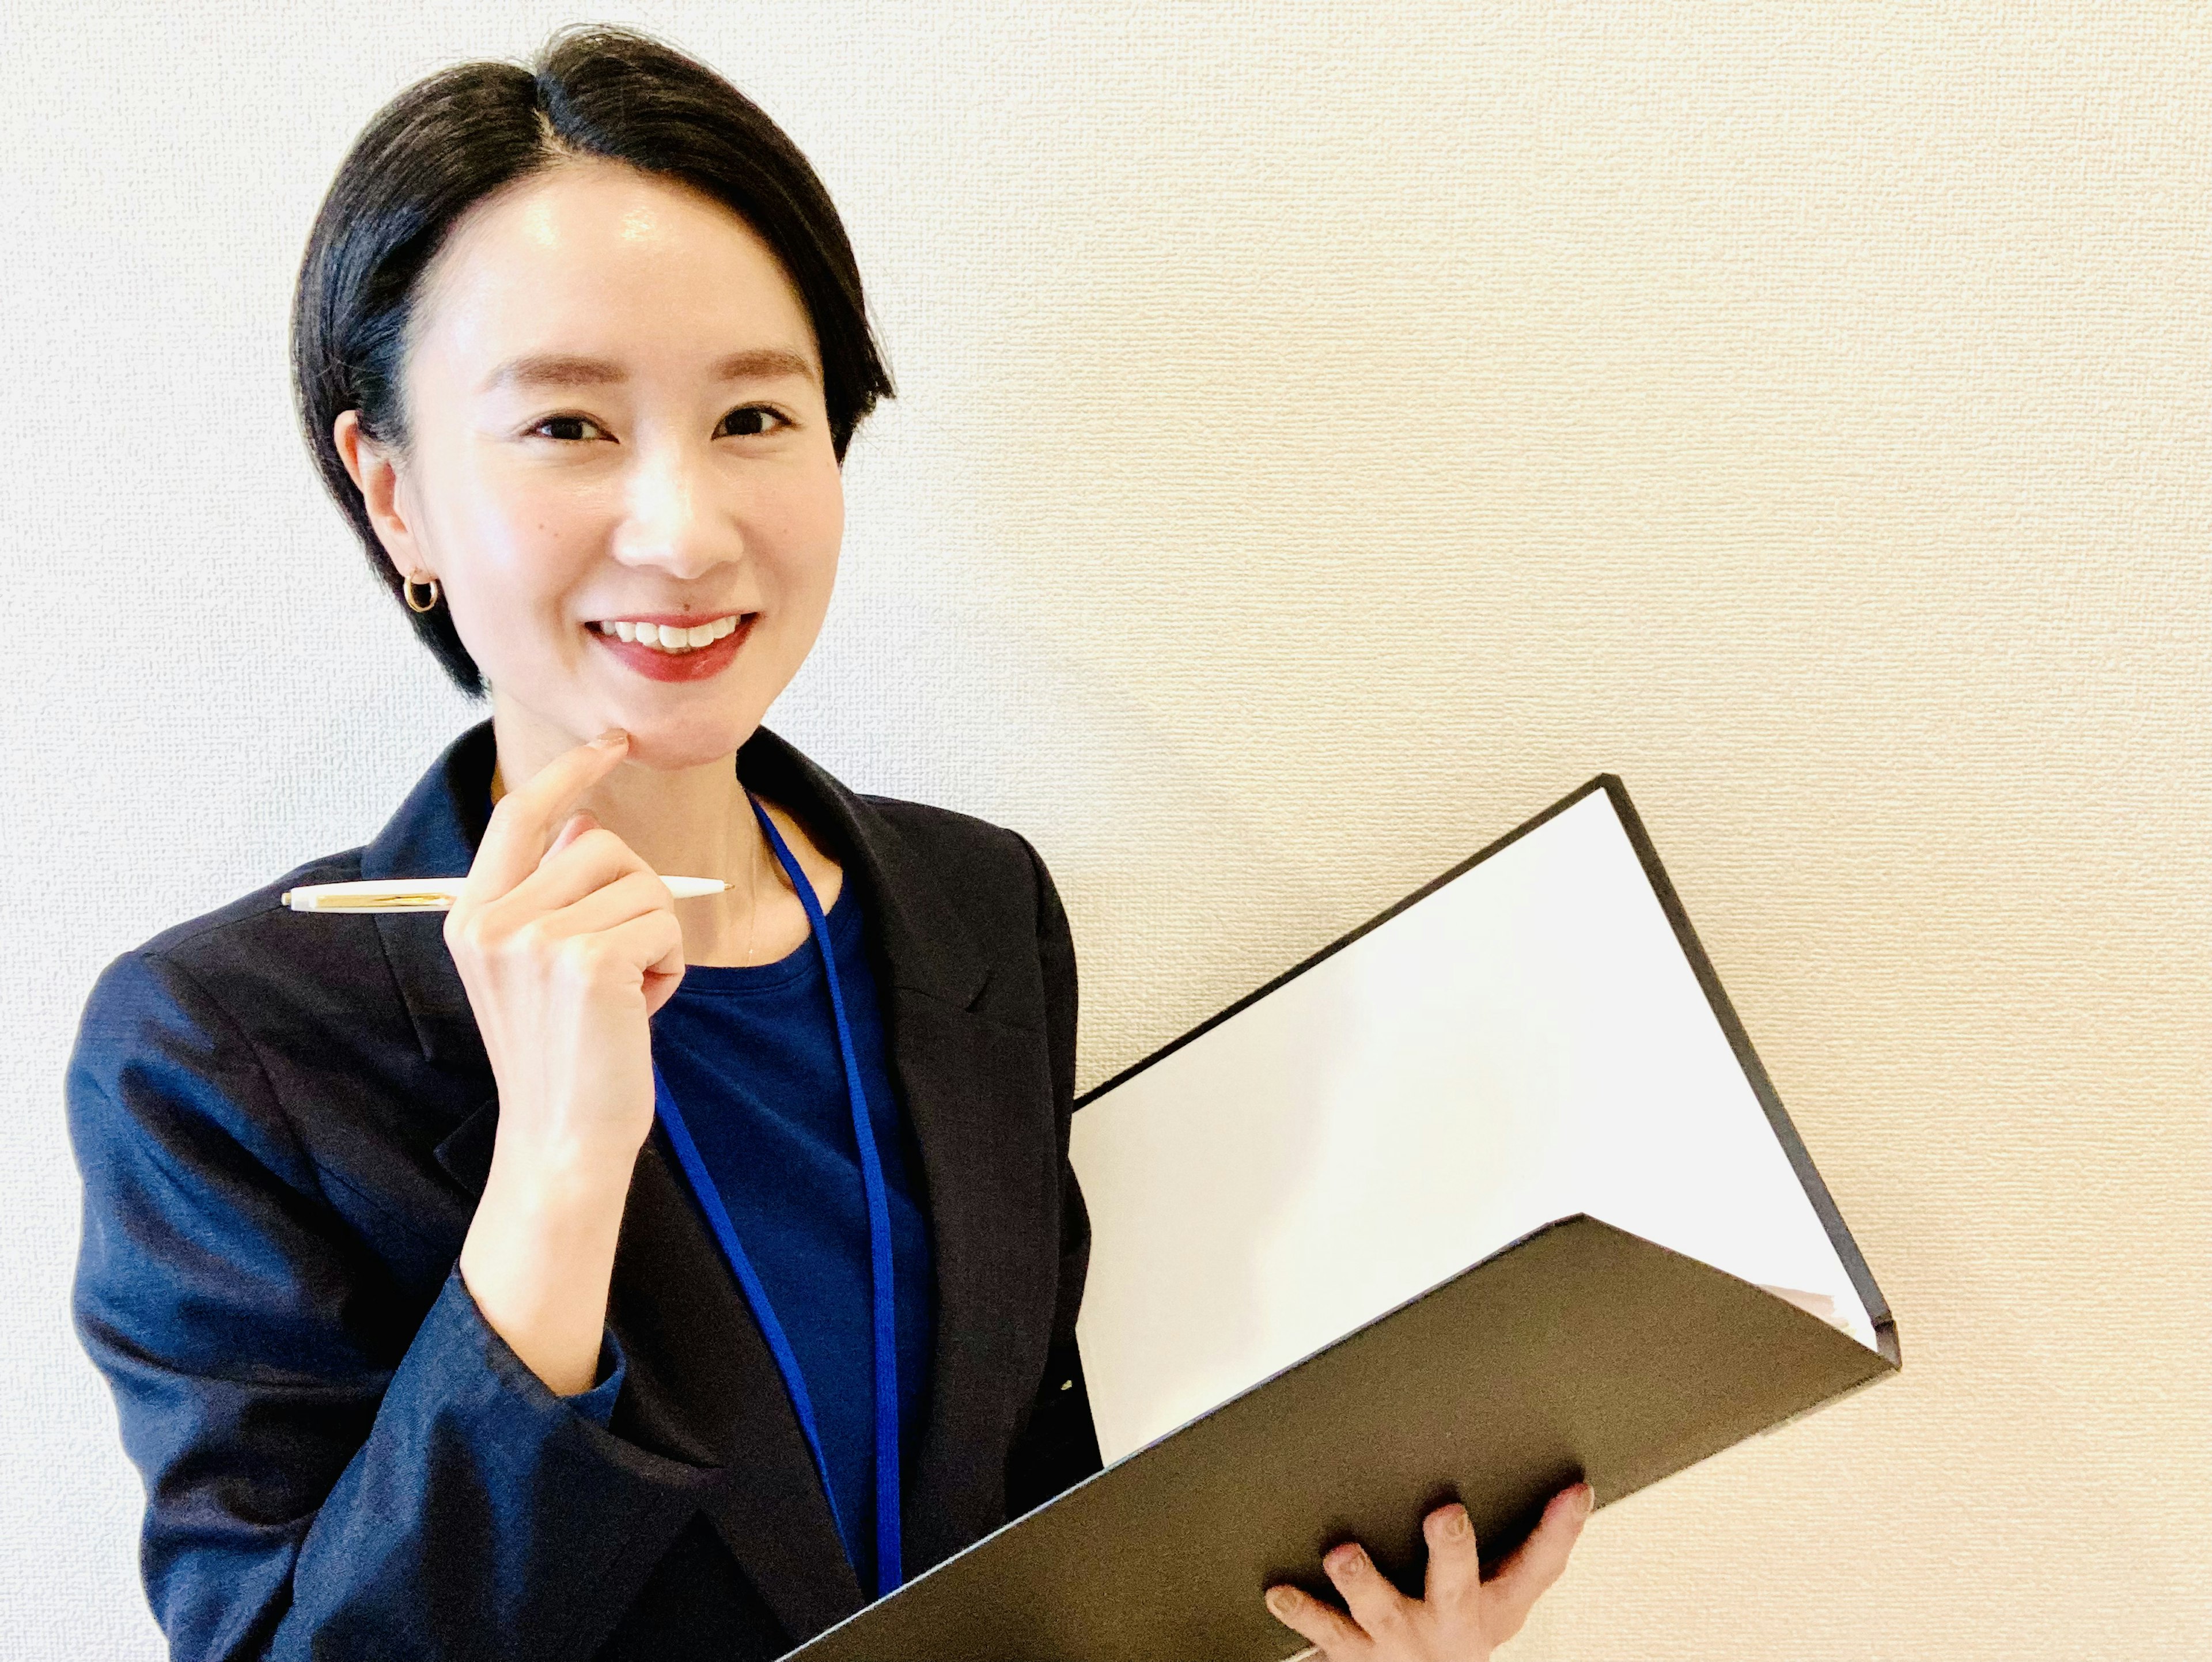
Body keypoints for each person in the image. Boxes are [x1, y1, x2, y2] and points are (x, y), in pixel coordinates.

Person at [64, 23, 1590, 1662]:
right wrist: (560, 1182)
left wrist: (1329, 1607)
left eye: (755, 419)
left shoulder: (974, 909)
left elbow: (1037, 1525)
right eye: (570, 428)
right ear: (395, 493)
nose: (685, 528)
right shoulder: (225, 1055)